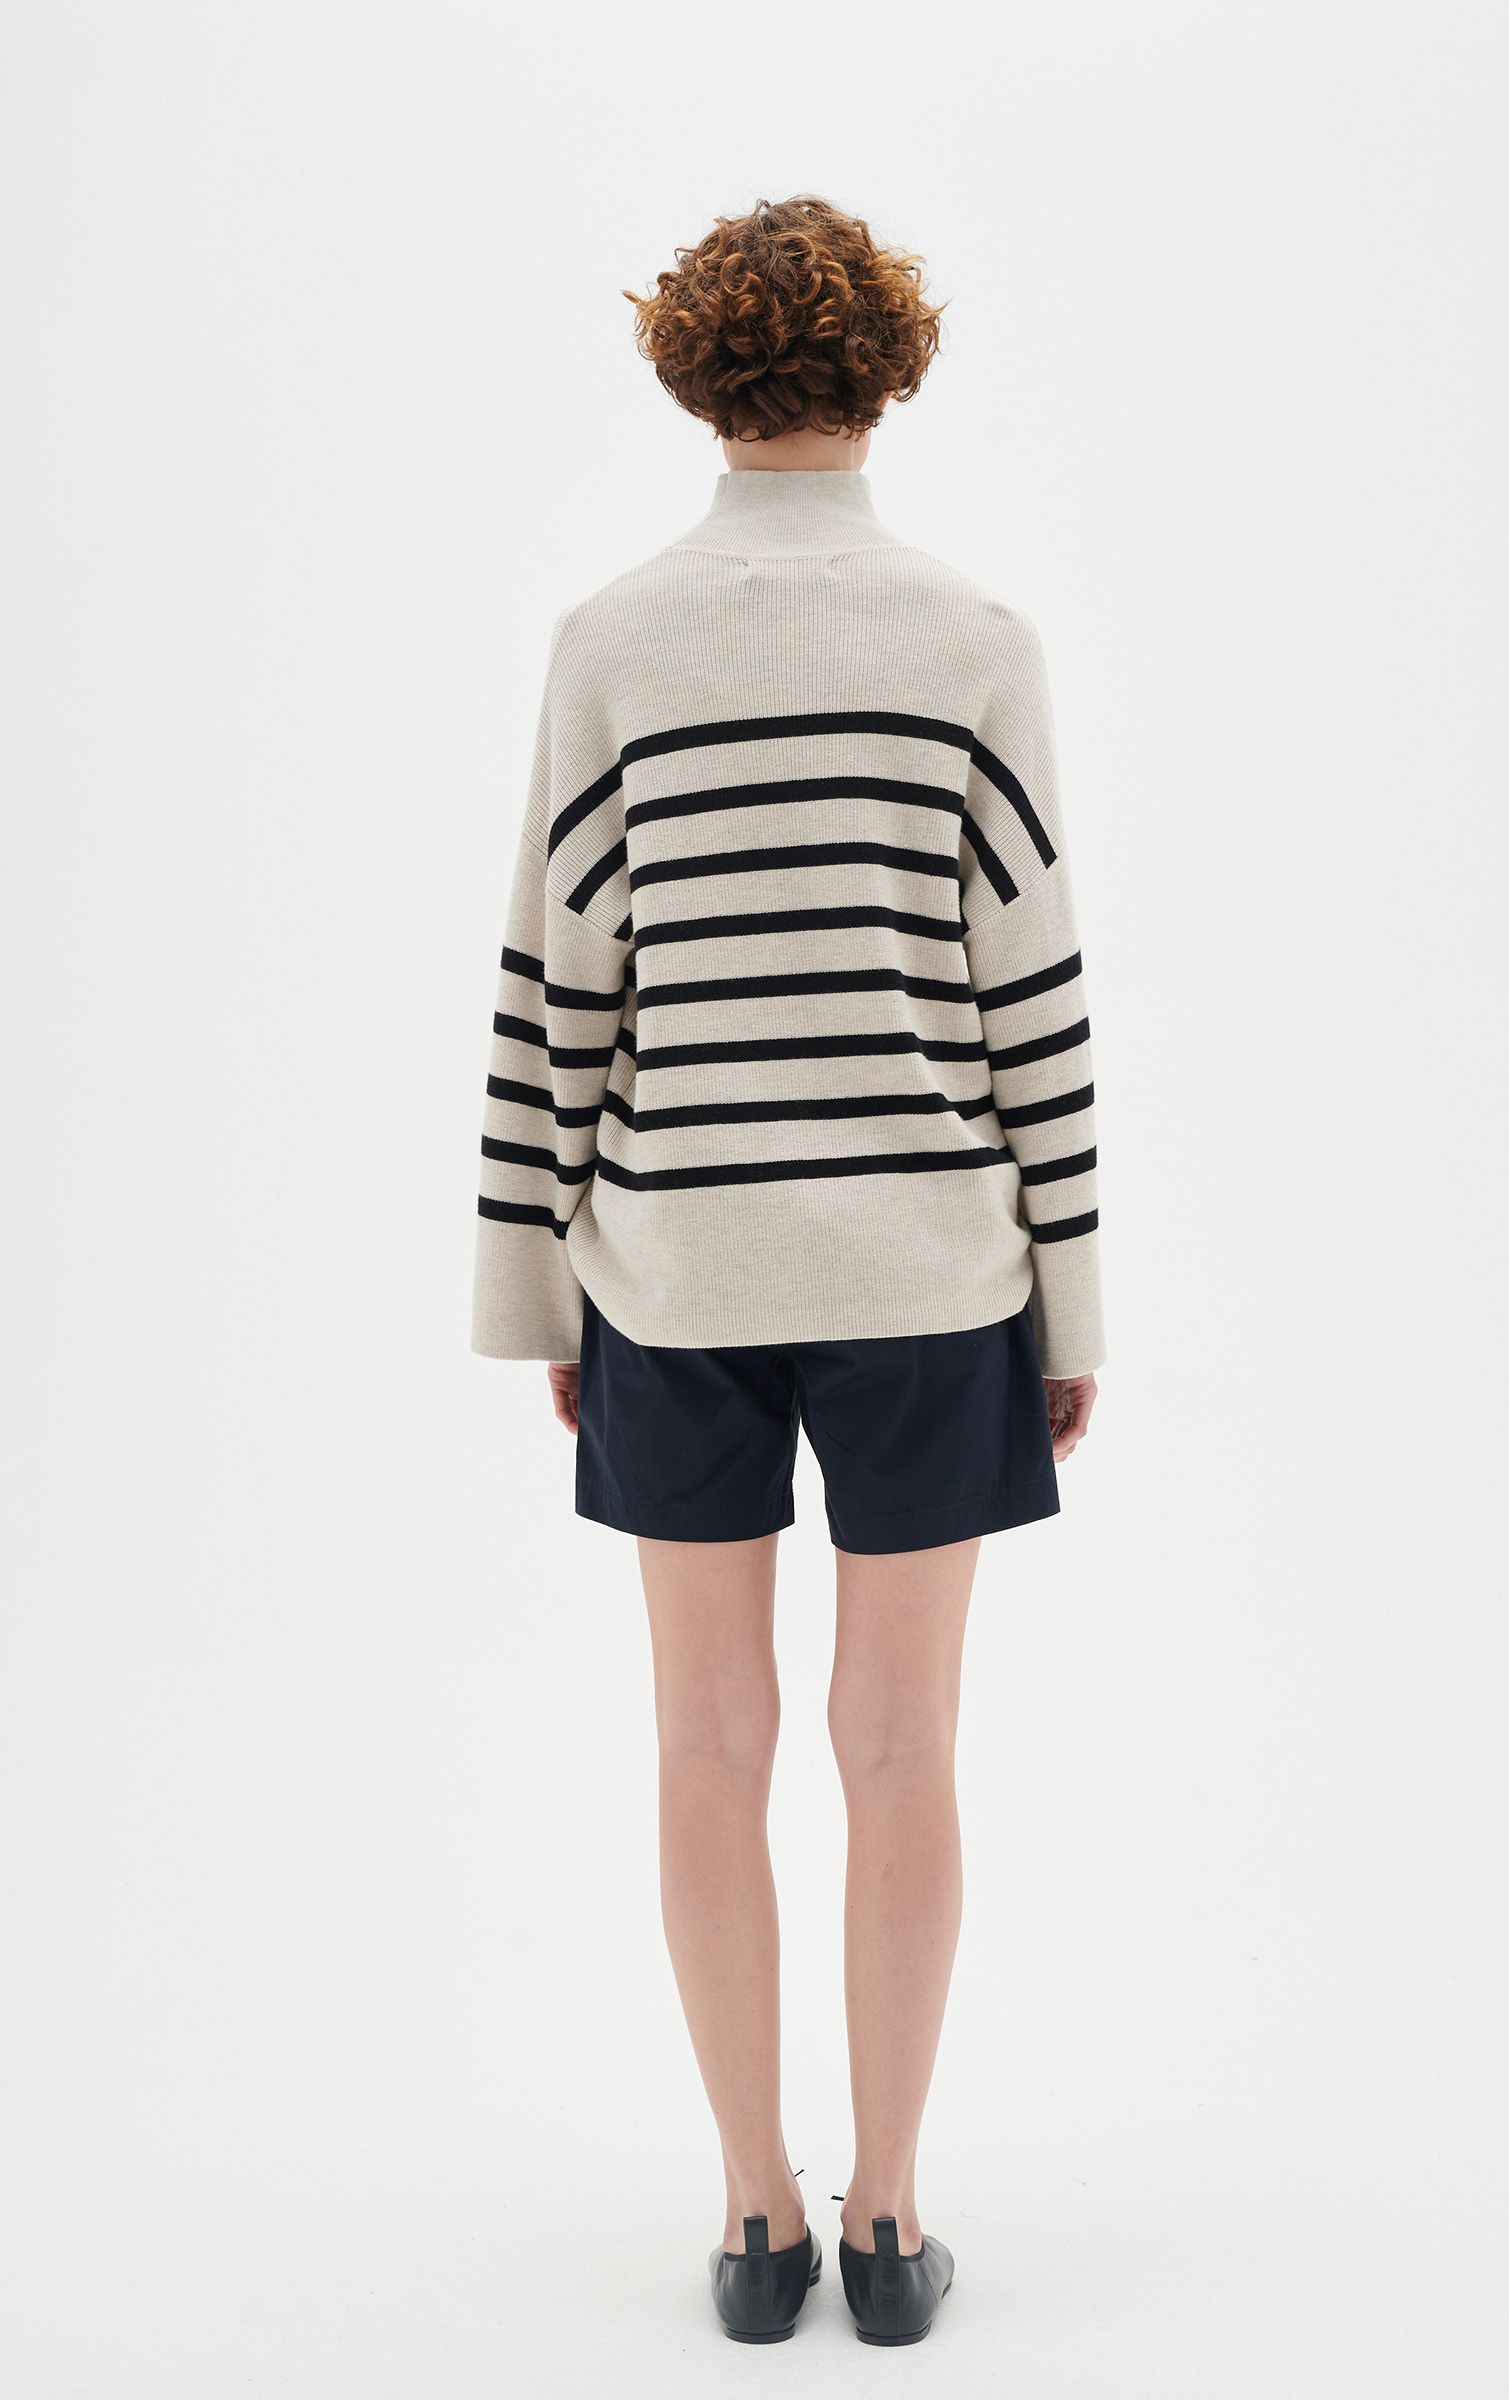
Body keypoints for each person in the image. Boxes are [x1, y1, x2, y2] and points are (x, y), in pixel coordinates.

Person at [471, 194, 1104, 2347]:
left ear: (693, 376)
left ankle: (755, 2219)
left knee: (706, 1740)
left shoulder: (611, 643)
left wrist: (536, 1292)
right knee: (903, 1745)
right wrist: (1071, 1303)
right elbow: (1032, 999)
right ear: (890, 371)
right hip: (934, 1272)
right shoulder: (975, 638)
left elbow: (556, 984)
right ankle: (888, 2220)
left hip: (674, 1268)